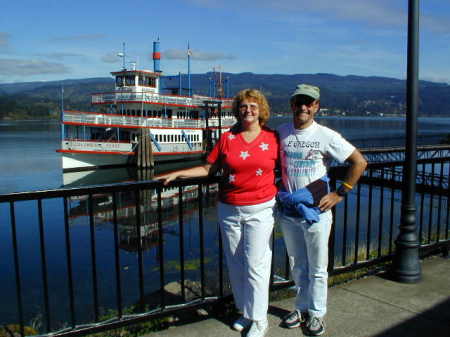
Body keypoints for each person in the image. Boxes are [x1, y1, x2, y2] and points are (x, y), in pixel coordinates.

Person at [156, 89, 279, 337]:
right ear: (237, 109)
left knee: (256, 264)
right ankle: (245, 313)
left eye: (253, 106)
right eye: (244, 106)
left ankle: (259, 318)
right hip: (229, 208)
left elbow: (289, 166)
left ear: (261, 110)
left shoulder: (273, 138)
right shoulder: (227, 138)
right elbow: (209, 167)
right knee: (235, 263)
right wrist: (178, 173)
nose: (248, 111)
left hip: (260, 208)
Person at [277, 84, 367, 336]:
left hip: (316, 212)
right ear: (292, 104)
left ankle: (317, 314)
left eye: (309, 102)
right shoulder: (281, 132)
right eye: (299, 102)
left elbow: (359, 162)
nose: (303, 107)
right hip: (289, 211)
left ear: (316, 106)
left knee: (317, 268)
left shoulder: (326, 135)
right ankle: (301, 307)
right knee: (297, 264)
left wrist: (340, 193)